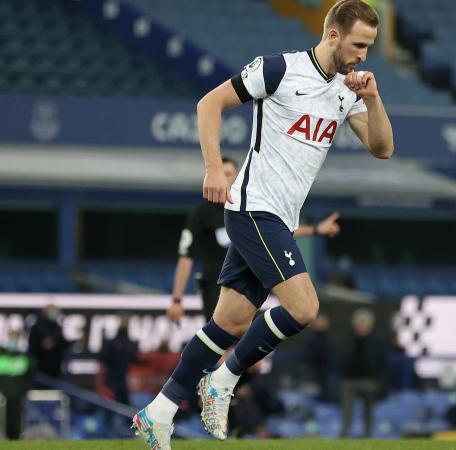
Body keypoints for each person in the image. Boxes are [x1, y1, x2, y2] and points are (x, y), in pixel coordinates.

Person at [132, 0, 393, 447]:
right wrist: (214, 168)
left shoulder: (347, 91)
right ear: (333, 35)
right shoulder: (278, 70)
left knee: (228, 324)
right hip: (254, 207)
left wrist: (372, 96)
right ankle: (224, 381)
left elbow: (383, 148)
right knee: (305, 308)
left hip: (280, 218)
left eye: (369, 46)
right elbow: (209, 104)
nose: (363, 55)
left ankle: (157, 412)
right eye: (359, 44)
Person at [166, 156, 342, 323]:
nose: (224, 178)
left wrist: (316, 229)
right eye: (221, 173)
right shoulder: (202, 213)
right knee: (222, 339)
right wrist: (176, 299)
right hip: (216, 285)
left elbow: (273, 235)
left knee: (247, 341)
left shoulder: (249, 206)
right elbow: (186, 256)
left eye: (229, 174)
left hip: (250, 281)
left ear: (238, 176)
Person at [339, 308, 387, 438]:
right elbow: (341, 359)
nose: (360, 326)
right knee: (347, 411)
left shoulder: (378, 341)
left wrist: (379, 382)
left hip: (369, 381)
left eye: (363, 323)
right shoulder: (348, 340)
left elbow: (383, 363)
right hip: (349, 380)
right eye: (358, 323)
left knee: (369, 411)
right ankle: (343, 436)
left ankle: (368, 435)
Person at [28, 304, 69, 378]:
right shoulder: (37, 327)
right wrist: (43, 345)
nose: (56, 314)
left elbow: (62, 344)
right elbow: (33, 346)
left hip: (55, 368)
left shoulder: (57, 327)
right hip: (40, 367)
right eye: (54, 312)